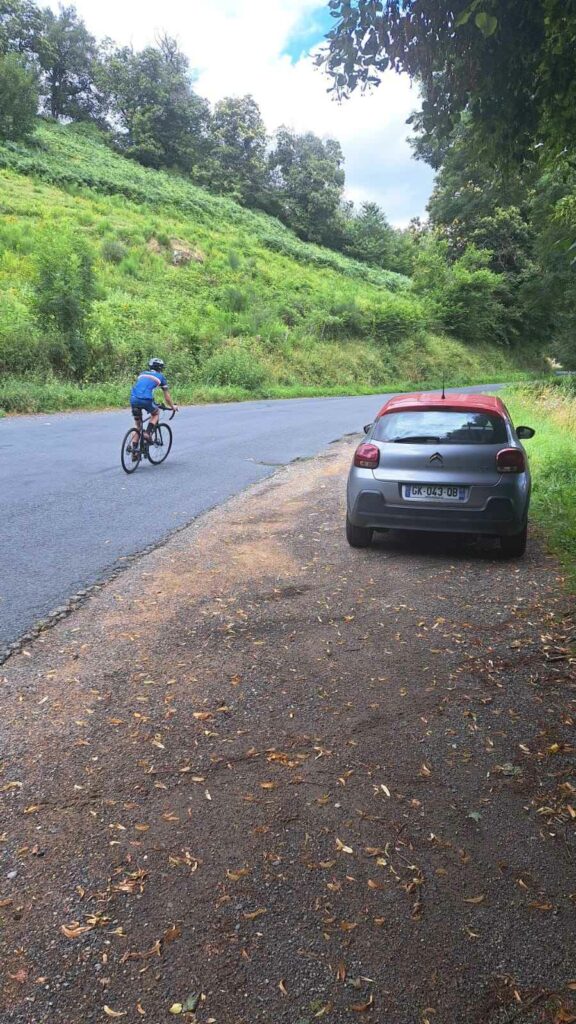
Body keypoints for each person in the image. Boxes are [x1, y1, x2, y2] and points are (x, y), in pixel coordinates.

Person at [130, 358, 177, 452]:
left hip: (133, 399)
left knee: (137, 426)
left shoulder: (142, 374)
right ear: (160, 368)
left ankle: (134, 450)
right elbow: (167, 398)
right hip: (146, 399)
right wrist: (173, 407)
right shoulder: (161, 377)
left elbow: (142, 386)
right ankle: (147, 433)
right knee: (156, 413)